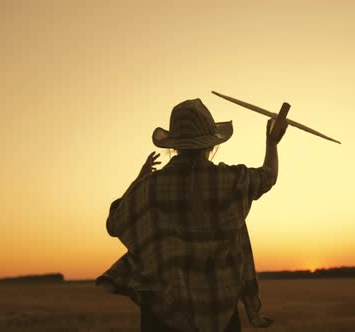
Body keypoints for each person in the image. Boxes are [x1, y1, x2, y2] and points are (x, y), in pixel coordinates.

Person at [96, 98, 288, 332]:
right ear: (210, 144)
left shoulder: (149, 186)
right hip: (221, 314)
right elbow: (268, 176)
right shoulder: (230, 180)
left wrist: (138, 181)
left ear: (173, 145)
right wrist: (272, 142)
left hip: (161, 316)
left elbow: (114, 224)